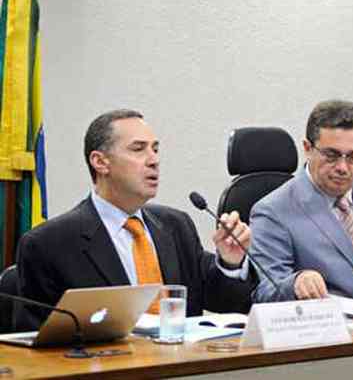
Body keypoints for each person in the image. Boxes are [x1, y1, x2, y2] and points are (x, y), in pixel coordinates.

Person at [16, 109, 256, 330]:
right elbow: (32, 343)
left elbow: (227, 303)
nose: (153, 160)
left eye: (155, 149)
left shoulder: (176, 225)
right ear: (100, 162)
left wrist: (230, 262)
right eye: (138, 149)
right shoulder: (49, 244)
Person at [249, 100, 353, 302]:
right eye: (331, 155)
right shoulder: (273, 211)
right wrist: (296, 283)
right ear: (307, 148)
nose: (342, 167)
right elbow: (264, 292)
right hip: (329, 324)